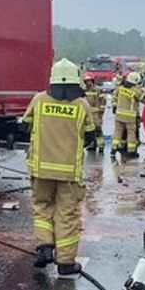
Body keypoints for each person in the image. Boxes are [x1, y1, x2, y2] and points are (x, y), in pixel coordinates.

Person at [20, 59, 97, 276]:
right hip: (68, 173)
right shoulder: (82, 105)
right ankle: (65, 263)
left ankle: (44, 248)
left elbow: (24, 126)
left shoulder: (39, 100)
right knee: (67, 215)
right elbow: (91, 136)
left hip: (41, 169)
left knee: (42, 208)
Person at [113, 71, 145, 156]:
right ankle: (131, 151)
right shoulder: (135, 91)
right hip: (130, 116)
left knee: (117, 132)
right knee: (131, 133)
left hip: (119, 114)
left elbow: (114, 97)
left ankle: (114, 148)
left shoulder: (121, 88)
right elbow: (144, 100)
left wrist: (114, 107)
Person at [83, 77, 105, 151]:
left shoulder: (98, 90)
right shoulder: (83, 90)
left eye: (89, 81)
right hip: (87, 113)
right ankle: (93, 145)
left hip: (96, 113)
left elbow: (103, 100)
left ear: (92, 81)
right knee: (90, 131)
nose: (88, 83)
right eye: (86, 81)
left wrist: (101, 110)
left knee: (98, 130)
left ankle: (101, 146)